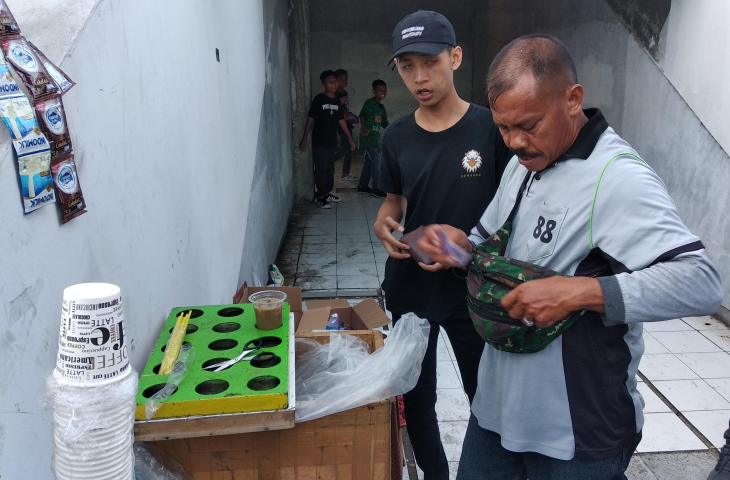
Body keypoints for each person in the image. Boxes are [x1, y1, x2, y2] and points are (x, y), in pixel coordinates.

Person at [415, 34, 723, 480]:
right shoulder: (525, 163)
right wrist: (452, 245)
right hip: (496, 413)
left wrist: (580, 291)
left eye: (529, 125)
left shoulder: (616, 178)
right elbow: (485, 244)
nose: (515, 142)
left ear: (573, 99)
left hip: (577, 435)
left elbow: (702, 282)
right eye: (504, 128)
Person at [373, 10, 512, 480]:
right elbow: (393, 203)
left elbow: (516, 214)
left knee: (485, 395)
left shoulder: (491, 130)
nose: (419, 77)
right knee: (417, 397)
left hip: (475, 289)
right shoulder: (396, 136)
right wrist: (386, 225)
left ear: (455, 57)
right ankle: (435, 474)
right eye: (407, 66)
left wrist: (467, 249)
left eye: (429, 62)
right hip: (412, 289)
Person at [299, 69, 355, 209]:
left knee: (330, 169)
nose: (333, 85)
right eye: (330, 82)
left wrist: (350, 138)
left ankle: (326, 193)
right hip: (319, 141)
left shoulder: (337, 100)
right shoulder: (319, 99)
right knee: (321, 168)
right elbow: (311, 119)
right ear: (323, 84)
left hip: (331, 141)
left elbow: (341, 120)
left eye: (335, 82)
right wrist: (304, 137)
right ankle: (320, 196)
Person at [357, 79, 388, 197]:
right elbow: (362, 116)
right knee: (377, 161)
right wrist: (364, 128)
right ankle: (377, 188)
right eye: (379, 90)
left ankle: (363, 186)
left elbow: (384, 123)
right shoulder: (370, 103)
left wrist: (393, 130)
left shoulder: (381, 108)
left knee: (369, 162)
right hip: (368, 137)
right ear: (374, 91)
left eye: (384, 91)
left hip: (375, 138)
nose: (382, 93)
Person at [334, 68, 358, 181]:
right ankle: (329, 161)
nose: (345, 81)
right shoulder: (334, 95)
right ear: (336, 80)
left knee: (348, 149)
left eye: (346, 79)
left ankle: (345, 174)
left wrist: (350, 115)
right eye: (342, 79)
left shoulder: (344, 93)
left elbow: (345, 109)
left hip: (347, 123)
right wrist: (345, 116)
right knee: (345, 148)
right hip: (340, 125)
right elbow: (338, 112)